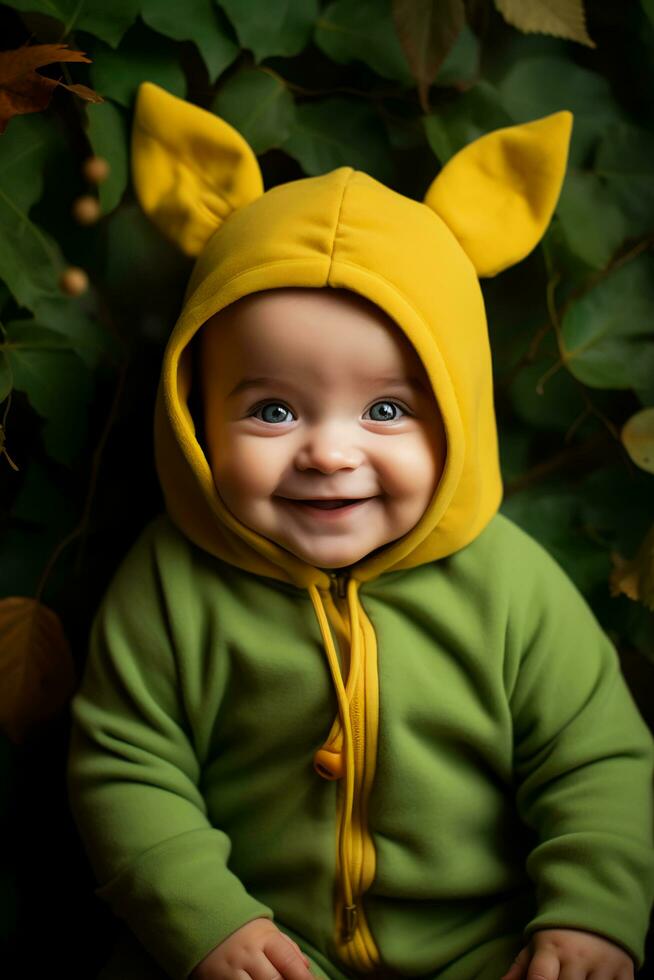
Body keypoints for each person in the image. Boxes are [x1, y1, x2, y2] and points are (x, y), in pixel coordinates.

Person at [66, 81, 654, 980]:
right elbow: (124, 764)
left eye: (386, 408)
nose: (330, 454)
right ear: (190, 411)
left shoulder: (511, 585)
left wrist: (591, 916)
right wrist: (203, 919)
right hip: (258, 947)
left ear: (459, 415)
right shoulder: (170, 584)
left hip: (485, 948)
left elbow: (596, 759)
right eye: (271, 411)